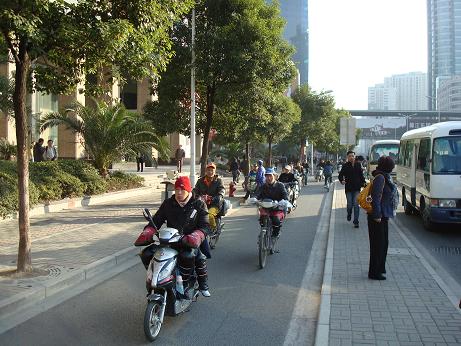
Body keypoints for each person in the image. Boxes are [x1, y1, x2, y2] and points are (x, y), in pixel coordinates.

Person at [138, 176, 211, 296]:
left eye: (182, 189)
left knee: (190, 256)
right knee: (146, 254)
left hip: (189, 241)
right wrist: (148, 232)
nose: (179, 192)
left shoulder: (198, 204)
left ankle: (196, 285)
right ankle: (155, 278)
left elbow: (205, 226)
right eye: (177, 189)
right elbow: (156, 220)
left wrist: (196, 235)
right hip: (169, 241)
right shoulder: (168, 203)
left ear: (189, 190)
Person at [367, 156, 397, 280]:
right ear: (387, 167)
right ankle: (374, 272)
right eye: (391, 165)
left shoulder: (384, 177)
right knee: (378, 245)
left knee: (383, 244)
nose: (393, 167)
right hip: (377, 217)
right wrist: (377, 215)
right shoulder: (380, 178)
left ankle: (380, 268)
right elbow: (376, 197)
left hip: (383, 215)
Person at [256, 167, 288, 238]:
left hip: (278, 208)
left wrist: (283, 201)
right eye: (267, 176)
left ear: (275, 176)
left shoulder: (280, 185)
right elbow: (257, 194)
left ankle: (276, 233)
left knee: (275, 220)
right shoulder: (263, 186)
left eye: (270, 176)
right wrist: (254, 199)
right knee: (262, 219)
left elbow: (285, 196)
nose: (269, 178)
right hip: (265, 208)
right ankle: (263, 233)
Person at [193, 162, 225, 232]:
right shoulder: (200, 181)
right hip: (202, 204)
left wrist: (218, 196)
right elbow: (195, 190)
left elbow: (222, 190)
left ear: (214, 171)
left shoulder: (219, 181)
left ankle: (213, 229)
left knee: (209, 215)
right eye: (208, 170)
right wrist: (193, 195)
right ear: (206, 171)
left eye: (212, 170)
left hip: (215, 204)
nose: (210, 172)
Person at [338, 151, 366, 228]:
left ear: (354, 156)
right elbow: (340, 175)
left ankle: (356, 221)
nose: (351, 157)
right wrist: (342, 181)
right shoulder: (345, 166)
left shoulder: (358, 165)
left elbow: (361, 176)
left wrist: (364, 183)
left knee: (356, 205)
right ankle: (349, 213)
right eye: (350, 156)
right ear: (347, 157)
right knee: (350, 204)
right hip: (348, 189)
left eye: (352, 156)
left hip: (357, 188)